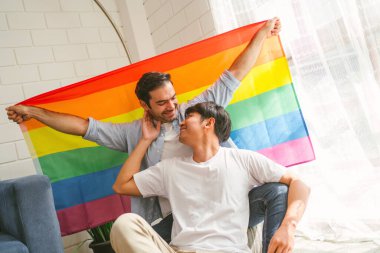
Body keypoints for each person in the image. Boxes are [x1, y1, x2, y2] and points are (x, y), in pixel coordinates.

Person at [6, 18, 286, 250]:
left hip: (225, 203)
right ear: (145, 104)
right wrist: (35, 112)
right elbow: (84, 127)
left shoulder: (197, 112)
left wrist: (262, 34)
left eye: (174, 99)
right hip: (177, 217)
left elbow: (235, 73)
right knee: (126, 229)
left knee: (275, 191)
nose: (173, 108)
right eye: (162, 103)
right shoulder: (134, 133)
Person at [112, 101, 310, 253]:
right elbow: (122, 186)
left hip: (228, 250)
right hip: (182, 249)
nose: (181, 122)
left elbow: (298, 183)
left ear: (208, 122)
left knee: (280, 189)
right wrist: (145, 140)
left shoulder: (242, 159)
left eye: (188, 116)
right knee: (124, 224)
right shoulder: (169, 169)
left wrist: (288, 228)